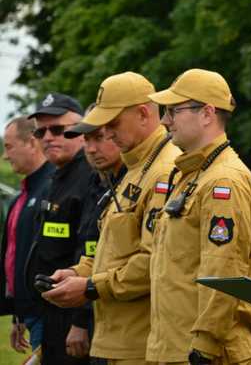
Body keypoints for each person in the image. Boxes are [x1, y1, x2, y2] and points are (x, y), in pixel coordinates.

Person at [42, 72, 180, 364]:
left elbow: (154, 260)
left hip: (141, 342)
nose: (108, 132)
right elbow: (118, 250)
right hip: (119, 337)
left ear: (143, 114)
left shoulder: (164, 170)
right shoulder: (135, 167)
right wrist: (79, 272)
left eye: (113, 123)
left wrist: (91, 286)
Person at [146, 68, 251, 364]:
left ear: (207, 113)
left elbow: (222, 271)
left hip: (206, 354)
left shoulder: (222, 180)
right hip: (178, 348)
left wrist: (205, 347)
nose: (164, 120)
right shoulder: (192, 174)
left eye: (173, 111)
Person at [23, 93, 93, 365]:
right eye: (40, 132)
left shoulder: (90, 176)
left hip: (76, 314)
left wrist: (82, 321)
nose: (48, 137)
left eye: (58, 129)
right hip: (51, 313)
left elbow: (90, 252)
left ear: (81, 131)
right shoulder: (57, 177)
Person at [59, 109, 127, 359]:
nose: (90, 148)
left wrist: (80, 320)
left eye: (98, 137)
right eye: (86, 140)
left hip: (121, 321)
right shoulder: (97, 182)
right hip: (99, 310)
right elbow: (91, 249)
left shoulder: (134, 183)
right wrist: (76, 272)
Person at [1, 116, 54, 355]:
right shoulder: (21, 196)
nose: (5, 156)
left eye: (9, 147)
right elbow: (17, 255)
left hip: (49, 314)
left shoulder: (53, 188)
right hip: (29, 313)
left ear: (32, 143)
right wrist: (16, 313)